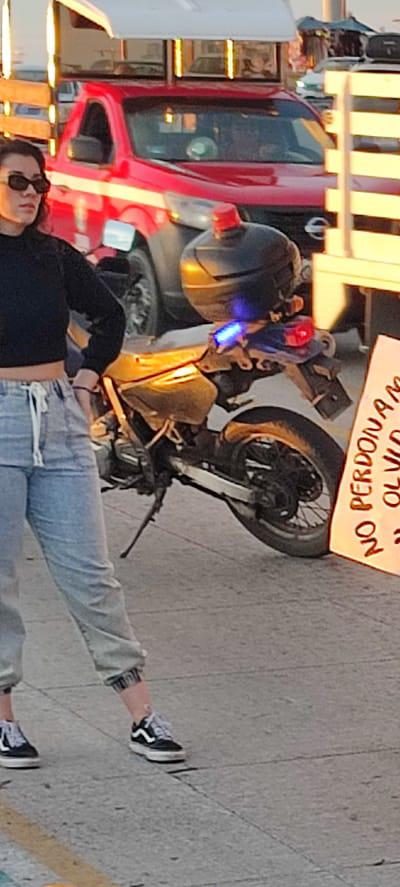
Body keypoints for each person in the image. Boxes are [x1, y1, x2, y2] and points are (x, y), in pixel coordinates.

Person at [0, 139, 185, 768]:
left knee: (91, 576)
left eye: (38, 184)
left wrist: (83, 383)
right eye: (17, 182)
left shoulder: (54, 256)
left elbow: (108, 318)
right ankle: (4, 718)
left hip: (57, 415)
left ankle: (141, 714)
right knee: (0, 581)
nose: (31, 193)